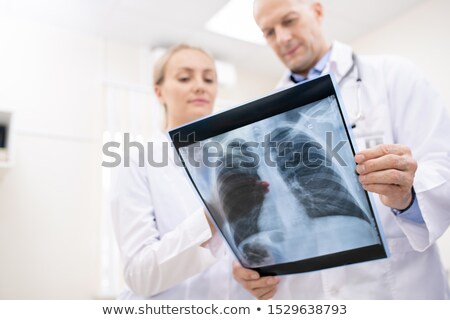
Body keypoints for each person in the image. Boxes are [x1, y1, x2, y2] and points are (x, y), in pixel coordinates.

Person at [233, 0, 450, 299]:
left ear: (318, 11)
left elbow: (443, 166)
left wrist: (408, 195)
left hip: (396, 292)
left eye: (289, 21)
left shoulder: (392, 75)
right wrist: (254, 269)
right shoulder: (262, 116)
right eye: (269, 32)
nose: (281, 38)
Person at [111, 44, 250, 299]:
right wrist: (214, 216)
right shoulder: (137, 162)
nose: (200, 86)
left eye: (209, 79)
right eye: (185, 78)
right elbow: (139, 275)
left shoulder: (235, 163)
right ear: (159, 92)